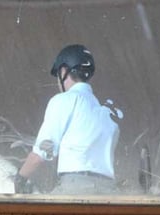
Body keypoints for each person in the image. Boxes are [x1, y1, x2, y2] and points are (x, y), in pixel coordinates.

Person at [15, 44, 121, 195]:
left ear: (64, 71)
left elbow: (41, 153)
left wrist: (20, 178)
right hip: (109, 191)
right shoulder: (105, 114)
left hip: (74, 188)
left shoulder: (63, 100)